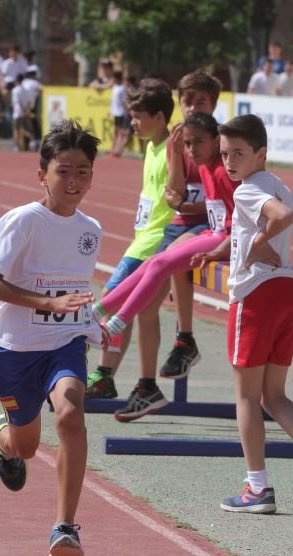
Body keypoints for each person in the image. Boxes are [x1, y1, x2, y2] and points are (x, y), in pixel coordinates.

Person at [0, 119, 103, 556]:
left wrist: (91, 320)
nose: (73, 181)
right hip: (14, 351)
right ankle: (2, 440)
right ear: (42, 174)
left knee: (70, 414)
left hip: (64, 346)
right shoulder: (22, 222)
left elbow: (75, 293)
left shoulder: (91, 230)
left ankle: (64, 527)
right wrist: (47, 303)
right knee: (25, 446)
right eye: (64, 171)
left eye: (82, 172)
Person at [193, 113, 293, 515]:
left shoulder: (247, 191)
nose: (229, 162)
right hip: (286, 294)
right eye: (224, 155)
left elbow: (281, 220)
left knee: (247, 397)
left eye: (238, 153)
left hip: (253, 299)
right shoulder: (278, 186)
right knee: (275, 396)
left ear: (261, 153)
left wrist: (257, 244)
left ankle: (258, 489)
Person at [108, 70, 223, 421]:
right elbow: (173, 195)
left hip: (209, 227)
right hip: (179, 226)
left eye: (199, 101)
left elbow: (224, 199)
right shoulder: (179, 140)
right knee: (146, 304)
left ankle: (184, 339)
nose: (191, 107)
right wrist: (176, 157)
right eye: (187, 101)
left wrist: (189, 206)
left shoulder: (220, 142)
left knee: (171, 261)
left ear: (213, 105)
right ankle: (147, 387)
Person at [96, 112, 233, 355]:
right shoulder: (205, 167)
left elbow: (243, 217)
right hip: (215, 233)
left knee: (158, 263)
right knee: (152, 262)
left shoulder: (222, 171)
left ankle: (115, 322)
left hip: (224, 238)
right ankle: (95, 312)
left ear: (216, 140)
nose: (192, 150)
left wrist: (222, 247)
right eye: (188, 144)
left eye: (199, 142)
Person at [84, 78, 173, 403]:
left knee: (111, 298)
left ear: (160, 116)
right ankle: (144, 382)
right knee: (145, 312)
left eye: (139, 116)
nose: (133, 123)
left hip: (154, 245)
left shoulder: (171, 152)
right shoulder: (151, 147)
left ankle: (105, 376)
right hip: (145, 239)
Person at [108, 70, 131, 157]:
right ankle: (113, 148)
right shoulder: (115, 87)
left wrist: (127, 110)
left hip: (121, 112)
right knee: (116, 131)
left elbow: (124, 100)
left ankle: (118, 150)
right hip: (115, 112)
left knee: (121, 132)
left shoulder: (122, 88)